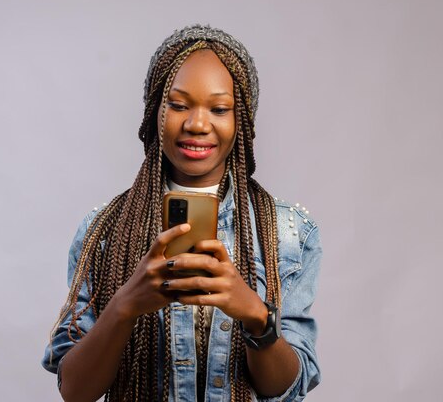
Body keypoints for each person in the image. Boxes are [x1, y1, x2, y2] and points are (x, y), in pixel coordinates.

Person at [42, 24, 322, 402]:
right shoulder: (104, 231)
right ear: (154, 112)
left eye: (219, 108)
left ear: (242, 121)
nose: (197, 124)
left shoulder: (289, 232)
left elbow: (286, 389)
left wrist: (257, 317)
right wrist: (124, 306)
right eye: (178, 105)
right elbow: (75, 391)